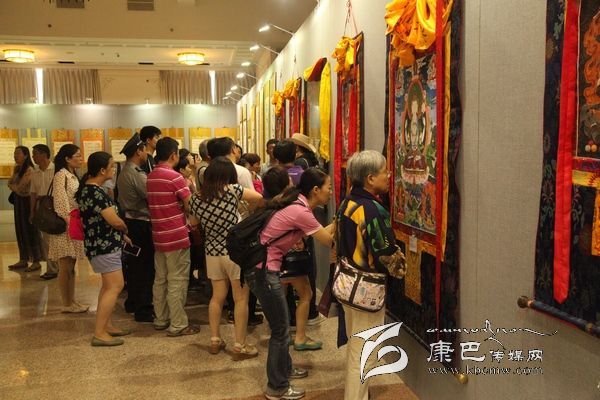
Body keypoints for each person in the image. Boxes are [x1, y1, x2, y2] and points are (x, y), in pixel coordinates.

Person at [244, 168, 334, 400]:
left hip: (263, 269)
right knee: (281, 330)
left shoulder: (298, 205)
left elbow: (319, 233)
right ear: (316, 190)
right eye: (329, 187)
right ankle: (277, 387)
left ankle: (284, 369)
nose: (331, 192)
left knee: (281, 327)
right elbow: (329, 241)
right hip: (264, 272)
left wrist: (337, 222)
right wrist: (343, 221)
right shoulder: (300, 211)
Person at [337, 150, 407, 400]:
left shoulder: (347, 202)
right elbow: (386, 254)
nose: (389, 175)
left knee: (356, 346)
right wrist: (401, 266)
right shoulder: (373, 210)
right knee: (364, 352)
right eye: (384, 172)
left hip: (347, 283)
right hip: (366, 290)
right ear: (370, 178)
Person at [188, 157, 264, 360]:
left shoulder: (195, 198)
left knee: (217, 297)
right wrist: (245, 211)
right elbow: (258, 197)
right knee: (240, 299)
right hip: (235, 252)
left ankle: (215, 339)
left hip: (212, 252)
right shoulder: (232, 191)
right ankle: (240, 344)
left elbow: (193, 222)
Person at [262, 166, 322, 352]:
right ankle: (300, 337)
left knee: (282, 296)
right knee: (306, 294)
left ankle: (284, 333)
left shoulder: (270, 203)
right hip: (289, 258)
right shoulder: (292, 204)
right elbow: (319, 236)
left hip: (272, 260)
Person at [77, 151, 132, 346]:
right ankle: (99, 333)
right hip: (104, 246)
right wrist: (124, 228)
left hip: (101, 244)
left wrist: (121, 235)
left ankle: (106, 325)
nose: (114, 169)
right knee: (115, 286)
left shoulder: (89, 189)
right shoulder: (95, 192)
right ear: (102, 170)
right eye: (111, 166)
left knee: (108, 287)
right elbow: (114, 220)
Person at [146, 137, 199, 337]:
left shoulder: (151, 176)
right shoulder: (175, 177)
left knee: (160, 279)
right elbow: (190, 205)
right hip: (176, 235)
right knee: (178, 279)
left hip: (159, 235)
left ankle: (161, 319)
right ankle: (178, 324)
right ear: (173, 155)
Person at [273, 140, 324, 328]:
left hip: (279, 231)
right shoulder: (300, 174)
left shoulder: (272, 174)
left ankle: (288, 317)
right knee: (305, 268)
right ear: (295, 154)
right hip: (301, 228)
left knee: (282, 274)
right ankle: (310, 313)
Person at [117, 134, 155, 323]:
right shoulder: (136, 174)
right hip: (140, 224)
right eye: (144, 150)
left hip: (131, 223)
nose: (147, 153)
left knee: (134, 266)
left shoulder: (125, 171)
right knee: (144, 268)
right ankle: (143, 309)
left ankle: (132, 302)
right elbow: (151, 196)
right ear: (139, 151)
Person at [48, 144, 88, 313]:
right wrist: (68, 221)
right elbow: (60, 202)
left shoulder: (72, 175)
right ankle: (66, 304)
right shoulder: (61, 175)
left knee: (71, 266)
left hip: (74, 222)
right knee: (65, 267)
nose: (80, 158)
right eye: (77, 155)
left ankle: (72, 300)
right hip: (65, 226)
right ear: (67, 158)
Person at [7, 146, 42, 272]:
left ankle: (36, 260)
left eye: (18, 153)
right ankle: (23, 258)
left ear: (26, 155)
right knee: (20, 230)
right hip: (18, 203)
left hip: (27, 203)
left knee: (31, 230)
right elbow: (10, 183)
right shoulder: (18, 169)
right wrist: (14, 185)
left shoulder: (29, 169)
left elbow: (20, 187)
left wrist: (14, 186)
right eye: (14, 153)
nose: (15, 156)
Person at [29, 144, 59, 279]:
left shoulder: (56, 170)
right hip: (41, 207)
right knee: (46, 239)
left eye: (35, 154)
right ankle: (52, 269)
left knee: (57, 239)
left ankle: (61, 267)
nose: (33, 156)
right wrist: (32, 212)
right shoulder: (35, 172)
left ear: (44, 154)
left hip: (55, 206)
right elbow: (33, 194)